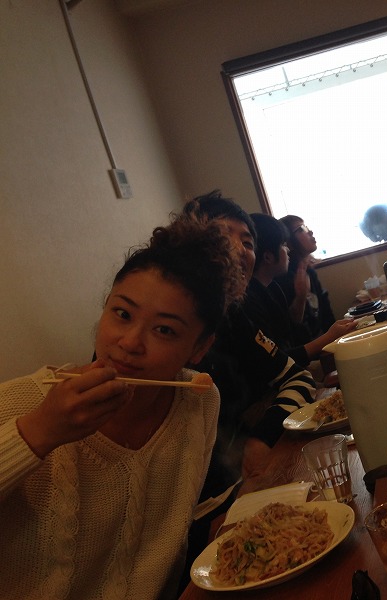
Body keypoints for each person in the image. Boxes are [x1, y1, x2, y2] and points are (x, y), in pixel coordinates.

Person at [0, 214, 243, 599]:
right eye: (122, 314)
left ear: (200, 347)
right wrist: (40, 431)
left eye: (164, 330)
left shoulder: (198, 400)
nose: (130, 342)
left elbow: (168, 544)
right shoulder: (24, 401)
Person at [182, 193, 316, 577]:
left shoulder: (233, 314)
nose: (242, 251)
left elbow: (296, 374)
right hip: (196, 520)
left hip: (237, 491)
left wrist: (261, 436)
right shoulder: (172, 325)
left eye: (248, 242)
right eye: (227, 236)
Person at [244, 213, 357, 368]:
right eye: (283, 245)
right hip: (293, 368)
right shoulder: (262, 291)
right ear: (268, 257)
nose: (287, 250)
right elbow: (276, 359)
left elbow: (292, 331)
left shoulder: (274, 287)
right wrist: (330, 337)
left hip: (304, 361)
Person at [274, 215, 337, 343]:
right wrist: (301, 296)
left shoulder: (310, 272)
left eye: (306, 227)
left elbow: (327, 316)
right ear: (288, 242)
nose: (310, 232)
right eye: (301, 229)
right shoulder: (283, 278)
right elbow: (292, 330)